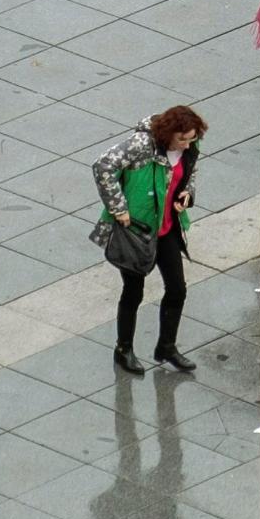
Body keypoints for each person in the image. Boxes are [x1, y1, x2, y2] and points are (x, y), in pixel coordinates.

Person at [92, 106, 207, 375]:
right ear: (168, 134)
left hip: (167, 228)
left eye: (191, 139)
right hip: (137, 229)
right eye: (183, 139)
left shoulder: (190, 145)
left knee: (177, 288)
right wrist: (118, 208)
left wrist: (187, 195)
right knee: (133, 291)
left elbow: (190, 174)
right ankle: (124, 349)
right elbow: (103, 165)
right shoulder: (142, 144)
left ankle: (166, 346)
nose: (188, 144)